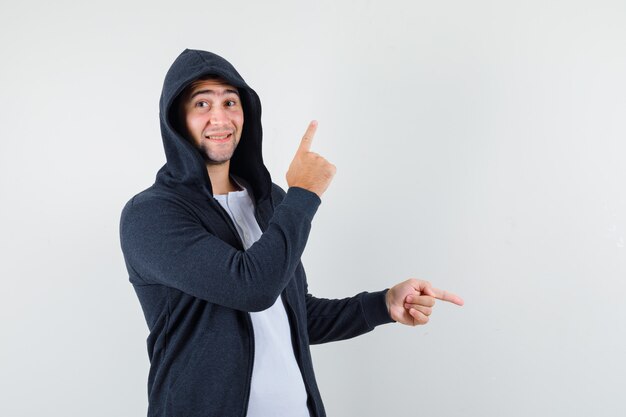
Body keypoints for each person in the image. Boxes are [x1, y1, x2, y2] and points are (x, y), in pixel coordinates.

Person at [120, 49, 464, 417]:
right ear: (177, 120)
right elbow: (251, 288)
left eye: (230, 102)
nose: (219, 118)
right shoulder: (152, 214)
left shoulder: (270, 202)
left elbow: (293, 314)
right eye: (202, 103)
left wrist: (383, 304)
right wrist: (305, 193)